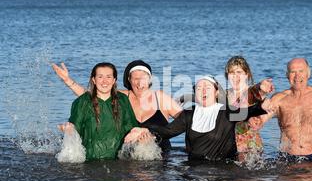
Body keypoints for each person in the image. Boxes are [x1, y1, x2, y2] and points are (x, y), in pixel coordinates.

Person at [127, 76, 270, 161]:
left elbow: (246, 112)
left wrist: (261, 105)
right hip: (194, 170)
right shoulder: (189, 113)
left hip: (223, 171)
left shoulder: (226, 112)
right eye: (199, 88)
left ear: (215, 93)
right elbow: (167, 131)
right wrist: (144, 129)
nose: (203, 90)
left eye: (207, 87)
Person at [52, 60, 182, 152]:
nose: (139, 82)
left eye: (143, 77)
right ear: (129, 80)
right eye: (135, 78)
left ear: (150, 79)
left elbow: (186, 121)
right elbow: (91, 95)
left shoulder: (160, 98)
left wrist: (154, 133)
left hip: (161, 156)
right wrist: (67, 80)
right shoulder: (122, 97)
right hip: (130, 157)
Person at [64, 62, 138, 161]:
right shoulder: (82, 101)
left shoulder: (123, 100)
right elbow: (74, 130)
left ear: (114, 80)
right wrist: (68, 129)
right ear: (93, 80)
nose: (104, 81)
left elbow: (132, 127)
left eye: (108, 77)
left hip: (118, 161)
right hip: (89, 160)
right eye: (100, 77)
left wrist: (138, 132)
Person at [225, 56, 274, 155]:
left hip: (251, 146)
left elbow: (259, 91)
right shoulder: (224, 94)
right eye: (231, 73)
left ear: (246, 74)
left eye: (239, 72)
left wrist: (262, 87)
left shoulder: (252, 92)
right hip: (231, 145)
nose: (235, 76)